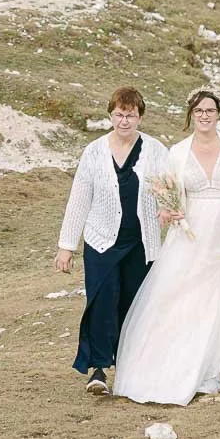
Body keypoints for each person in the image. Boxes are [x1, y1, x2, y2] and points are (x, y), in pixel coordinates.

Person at [112, 87, 220, 406]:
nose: (205, 116)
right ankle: (176, 364)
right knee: (183, 300)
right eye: (199, 111)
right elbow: (168, 196)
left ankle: (211, 369)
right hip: (191, 237)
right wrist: (169, 211)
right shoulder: (178, 153)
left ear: (218, 114)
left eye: (210, 110)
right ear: (191, 116)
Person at [54, 87, 168, 394]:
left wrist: (169, 211)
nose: (124, 121)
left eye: (131, 115)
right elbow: (79, 199)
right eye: (119, 114)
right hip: (101, 240)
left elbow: (169, 188)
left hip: (141, 243)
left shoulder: (156, 150)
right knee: (102, 300)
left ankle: (134, 368)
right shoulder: (94, 152)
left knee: (134, 304)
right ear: (110, 115)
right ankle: (99, 369)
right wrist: (67, 246)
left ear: (140, 117)